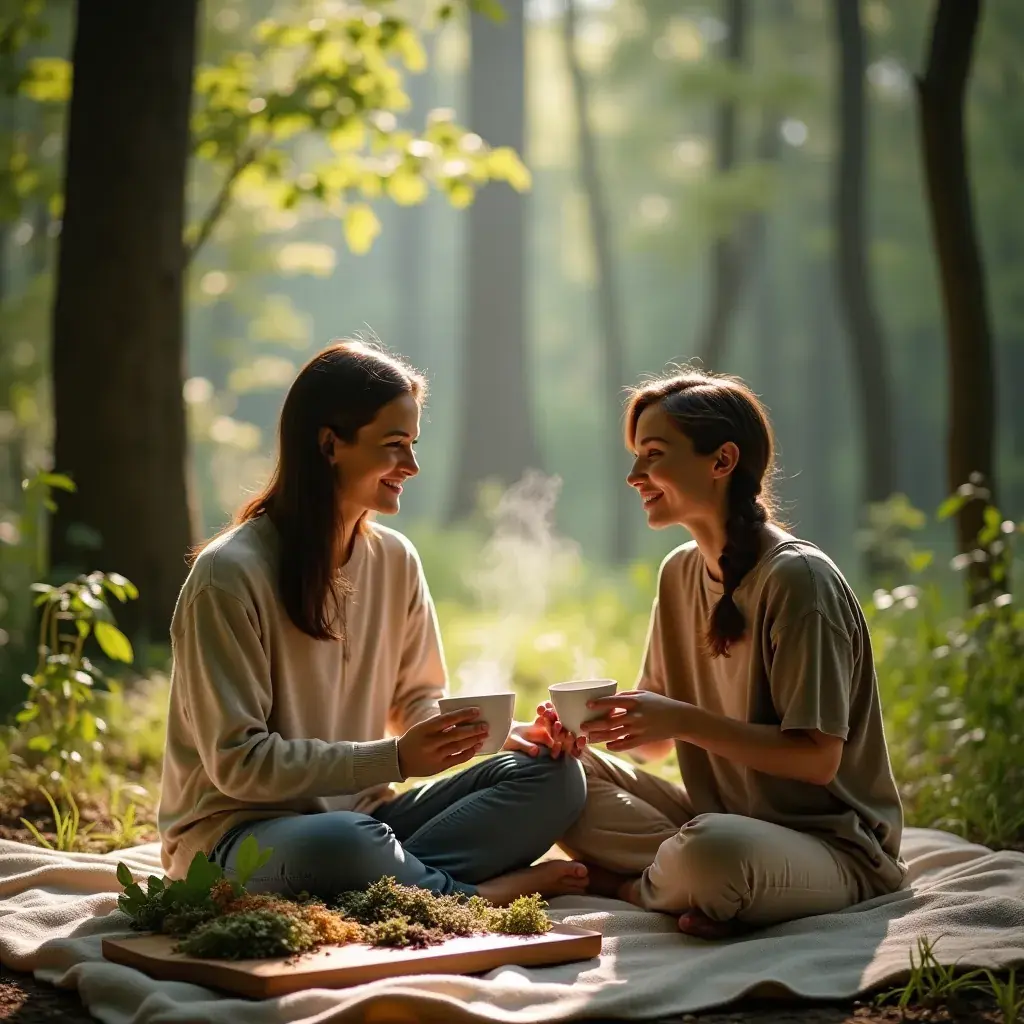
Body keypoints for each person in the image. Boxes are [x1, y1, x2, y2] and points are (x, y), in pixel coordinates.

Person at [158, 340, 588, 904]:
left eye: (412, 445)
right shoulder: (228, 577)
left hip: (366, 814)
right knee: (348, 844)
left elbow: (417, 702)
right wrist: (394, 758)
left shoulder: (395, 559)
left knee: (555, 781)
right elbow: (239, 764)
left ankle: (400, 881)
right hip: (236, 839)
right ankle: (469, 897)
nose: (411, 466)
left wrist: (497, 737)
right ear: (330, 444)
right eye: (394, 446)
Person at [555, 367, 906, 937]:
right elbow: (659, 741)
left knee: (713, 854)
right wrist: (592, 728)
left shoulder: (799, 581)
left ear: (722, 461)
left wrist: (683, 720)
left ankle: (632, 885)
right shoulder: (679, 574)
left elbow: (816, 760)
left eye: (654, 454)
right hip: (722, 820)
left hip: (831, 848)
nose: (634, 475)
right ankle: (696, 890)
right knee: (553, 776)